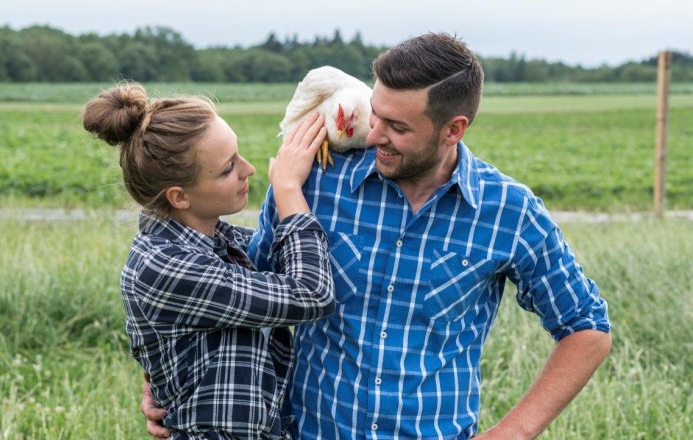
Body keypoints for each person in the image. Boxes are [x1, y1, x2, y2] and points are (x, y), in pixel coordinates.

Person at [144, 32, 612, 439]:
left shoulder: (509, 211)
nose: (372, 135)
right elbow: (247, 298)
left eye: (398, 127)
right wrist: (170, 381)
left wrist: (512, 432)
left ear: (454, 129)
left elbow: (587, 328)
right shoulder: (314, 181)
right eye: (376, 113)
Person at [83, 83, 337, 439]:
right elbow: (311, 293)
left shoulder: (220, 241)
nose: (248, 169)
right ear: (180, 197)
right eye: (227, 168)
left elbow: (291, 259)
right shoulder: (163, 267)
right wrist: (289, 190)